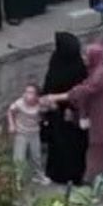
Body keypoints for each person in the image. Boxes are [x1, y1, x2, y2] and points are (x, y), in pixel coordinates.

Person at [43, 42, 103, 184]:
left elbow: (83, 91)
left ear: (95, 57)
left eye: (87, 55)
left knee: (97, 158)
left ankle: (93, 186)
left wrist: (54, 97)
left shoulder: (102, 74)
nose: (83, 58)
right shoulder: (96, 71)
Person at [41, 32, 89, 185]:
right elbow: (50, 81)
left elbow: (80, 91)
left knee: (72, 145)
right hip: (56, 111)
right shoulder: (58, 59)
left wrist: (69, 106)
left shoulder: (77, 67)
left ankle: (72, 175)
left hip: (70, 112)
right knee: (58, 144)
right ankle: (59, 174)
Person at [8, 84, 48, 184]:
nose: (27, 95)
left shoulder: (40, 104)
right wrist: (12, 125)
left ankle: (38, 176)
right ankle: (18, 179)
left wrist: (45, 107)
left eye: (30, 92)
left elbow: (48, 111)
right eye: (26, 92)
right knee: (19, 157)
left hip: (34, 133)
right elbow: (10, 112)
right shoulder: (19, 103)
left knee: (36, 156)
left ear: (36, 96)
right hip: (21, 133)